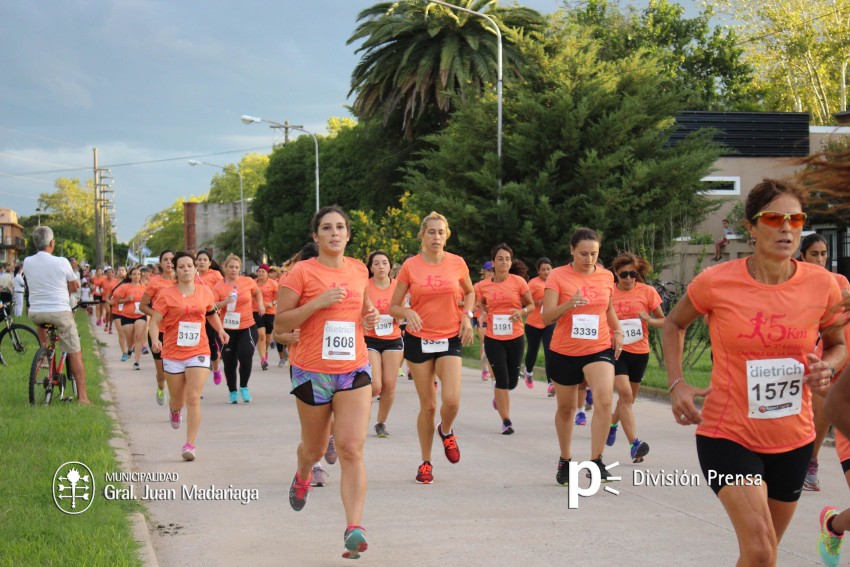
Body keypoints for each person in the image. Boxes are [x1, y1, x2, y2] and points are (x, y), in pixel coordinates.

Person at [663, 179, 845, 566]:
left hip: (793, 439)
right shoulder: (716, 281)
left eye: (796, 219)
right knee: (762, 549)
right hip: (729, 435)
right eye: (775, 217)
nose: (787, 227)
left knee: (760, 554)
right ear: (751, 225)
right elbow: (674, 324)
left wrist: (826, 368)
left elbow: (837, 342)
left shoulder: (822, 284)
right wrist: (676, 383)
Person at [275, 205, 378, 559]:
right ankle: (304, 471)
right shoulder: (301, 273)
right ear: (316, 236)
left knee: (351, 448)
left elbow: (363, 310)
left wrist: (370, 316)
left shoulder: (359, 270)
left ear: (348, 234)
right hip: (312, 371)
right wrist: (317, 303)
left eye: (340, 228)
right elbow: (280, 325)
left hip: (353, 369)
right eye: (327, 228)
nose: (335, 233)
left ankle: (354, 527)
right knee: (316, 448)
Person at [389, 211, 475, 484]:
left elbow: (470, 292)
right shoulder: (410, 266)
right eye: (431, 232)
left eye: (441, 232)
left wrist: (468, 316)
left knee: (451, 400)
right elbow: (393, 305)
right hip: (418, 339)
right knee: (428, 405)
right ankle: (426, 462)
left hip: (449, 336)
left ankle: (446, 430)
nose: (436, 237)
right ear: (422, 235)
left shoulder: (457, 263)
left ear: (446, 235)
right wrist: (406, 313)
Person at [542, 228, 624, 485]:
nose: (589, 259)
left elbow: (608, 308)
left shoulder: (606, 277)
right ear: (572, 251)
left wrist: (618, 330)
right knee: (566, 409)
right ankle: (565, 460)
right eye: (583, 254)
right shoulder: (557, 276)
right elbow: (546, 317)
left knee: (603, 400)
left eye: (594, 254)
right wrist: (569, 304)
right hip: (564, 350)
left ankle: (596, 461)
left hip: (598, 347)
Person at [149, 252, 229, 461]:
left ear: (195, 269)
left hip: (199, 350)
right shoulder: (166, 294)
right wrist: (155, 340)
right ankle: (175, 411)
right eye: (181, 266)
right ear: (175, 270)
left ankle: (190, 445)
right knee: (178, 400)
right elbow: (155, 321)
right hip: (173, 353)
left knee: (193, 396)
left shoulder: (204, 292)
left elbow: (211, 313)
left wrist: (220, 330)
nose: (186, 269)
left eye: (189, 266)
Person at [795, 233, 850, 492]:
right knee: (819, 413)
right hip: (816, 355)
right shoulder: (797, 284)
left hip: (841, 353)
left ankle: (809, 463)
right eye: (814, 254)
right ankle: (809, 460)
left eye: (824, 254)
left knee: (829, 411)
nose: (820, 259)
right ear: (803, 256)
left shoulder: (838, 281)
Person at [22, 226, 91, 404]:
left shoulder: (27, 261)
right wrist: (64, 293)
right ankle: (83, 397)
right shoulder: (62, 262)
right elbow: (75, 286)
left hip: (36, 313)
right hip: (59, 312)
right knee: (75, 352)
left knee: (43, 322)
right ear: (52, 243)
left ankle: (45, 353)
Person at [607, 252, 664, 463]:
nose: (629, 278)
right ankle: (634, 444)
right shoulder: (609, 292)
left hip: (640, 352)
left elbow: (664, 321)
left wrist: (648, 319)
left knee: (627, 400)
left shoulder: (647, 292)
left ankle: (613, 424)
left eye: (633, 274)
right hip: (616, 350)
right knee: (624, 393)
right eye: (624, 274)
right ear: (616, 273)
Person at [477, 243, 535, 434]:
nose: (504, 262)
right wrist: (483, 313)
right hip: (493, 337)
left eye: (508, 259)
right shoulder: (483, 286)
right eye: (500, 259)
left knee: (511, 382)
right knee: (501, 379)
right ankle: (506, 421)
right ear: (493, 262)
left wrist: (522, 312)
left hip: (515, 335)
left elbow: (531, 305)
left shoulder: (518, 282)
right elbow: (480, 305)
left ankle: (499, 393)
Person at [364, 250, 404, 438]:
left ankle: (381, 422)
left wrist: (399, 315)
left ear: (390, 266)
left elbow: (405, 310)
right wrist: (366, 319)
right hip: (370, 338)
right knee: (376, 385)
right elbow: (357, 310)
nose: (381, 266)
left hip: (392, 338)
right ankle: (362, 411)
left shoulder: (398, 286)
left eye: (385, 263)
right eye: (377, 263)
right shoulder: (365, 286)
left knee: (389, 384)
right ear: (371, 267)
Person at [213, 255, 262, 404]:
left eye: (236, 267)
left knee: (246, 355)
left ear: (240, 268)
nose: (234, 270)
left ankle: (244, 387)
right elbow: (212, 306)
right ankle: (232, 391)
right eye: (231, 267)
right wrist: (225, 302)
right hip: (226, 329)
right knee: (229, 361)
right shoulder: (218, 286)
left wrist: (260, 304)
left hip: (246, 326)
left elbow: (257, 292)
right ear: (225, 268)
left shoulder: (247, 282)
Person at [139, 250, 177, 406]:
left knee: (177, 370)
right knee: (162, 374)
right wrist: (157, 315)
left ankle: (177, 400)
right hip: (158, 331)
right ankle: (161, 387)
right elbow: (142, 306)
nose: (169, 262)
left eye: (172, 259)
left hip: (177, 331)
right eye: (165, 259)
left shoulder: (183, 280)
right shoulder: (155, 282)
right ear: (160, 263)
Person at [524, 258, 555, 396]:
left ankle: (550, 383)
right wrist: (537, 302)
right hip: (533, 323)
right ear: (538, 271)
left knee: (549, 352)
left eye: (548, 269)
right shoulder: (533, 283)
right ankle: (529, 371)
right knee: (533, 350)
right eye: (543, 269)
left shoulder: (555, 282)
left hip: (549, 322)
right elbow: (524, 300)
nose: (546, 272)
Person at [195, 250, 224, 384]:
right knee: (197, 347)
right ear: (195, 262)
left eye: (204, 259)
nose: (201, 262)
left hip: (211, 315)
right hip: (195, 317)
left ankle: (216, 369)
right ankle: (197, 377)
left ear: (210, 263)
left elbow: (224, 288)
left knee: (213, 348)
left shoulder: (215, 275)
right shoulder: (192, 275)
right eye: (199, 259)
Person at [111, 267, 148, 370]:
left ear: (141, 276)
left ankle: (136, 362)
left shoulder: (145, 288)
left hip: (140, 315)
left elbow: (149, 301)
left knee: (138, 337)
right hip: (126, 316)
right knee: (130, 338)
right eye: (134, 274)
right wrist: (127, 299)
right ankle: (130, 348)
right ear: (130, 276)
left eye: (138, 274)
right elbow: (117, 301)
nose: (136, 276)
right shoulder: (125, 287)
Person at [253, 263, 279, 371]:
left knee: (268, 338)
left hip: (269, 312)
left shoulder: (273, 284)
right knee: (261, 335)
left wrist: (272, 303)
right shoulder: (253, 283)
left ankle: (265, 351)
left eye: (263, 271)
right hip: (255, 311)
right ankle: (263, 359)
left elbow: (280, 297)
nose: (261, 273)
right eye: (259, 271)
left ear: (267, 273)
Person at [473, 261, 495, 381]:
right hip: (481, 318)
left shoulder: (498, 285)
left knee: (493, 344)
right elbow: (473, 302)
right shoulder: (478, 286)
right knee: (485, 343)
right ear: (484, 272)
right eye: (489, 271)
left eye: (493, 271)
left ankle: (493, 367)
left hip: (495, 319)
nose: (491, 273)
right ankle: (485, 368)